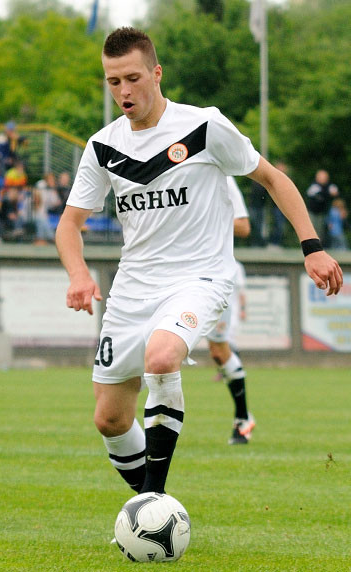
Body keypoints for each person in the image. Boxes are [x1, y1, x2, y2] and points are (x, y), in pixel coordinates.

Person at [55, 27, 342, 497]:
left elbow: (272, 178)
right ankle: (150, 507)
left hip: (199, 278)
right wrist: (79, 274)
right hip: (131, 291)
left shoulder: (203, 126)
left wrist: (311, 247)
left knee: (163, 356)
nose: (123, 91)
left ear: (157, 72)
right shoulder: (102, 146)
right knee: (109, 420)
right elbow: (69, 225)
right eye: (112, 82)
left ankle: (154, 502)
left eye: (132, 78)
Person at [206, 177, 254, 445]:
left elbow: (243, 226)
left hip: (213, 274)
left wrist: (201, 219)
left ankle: (243, 417)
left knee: (219, 350)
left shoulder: (222, 176)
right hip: (171, 270)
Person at [306, 169, 339, 246]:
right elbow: (311, 193)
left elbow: (335, 192)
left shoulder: (330, 186)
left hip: (322, 213)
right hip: (312, 212)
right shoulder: (314, 186)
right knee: (311, 230)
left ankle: (318, 247)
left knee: (320, 231)